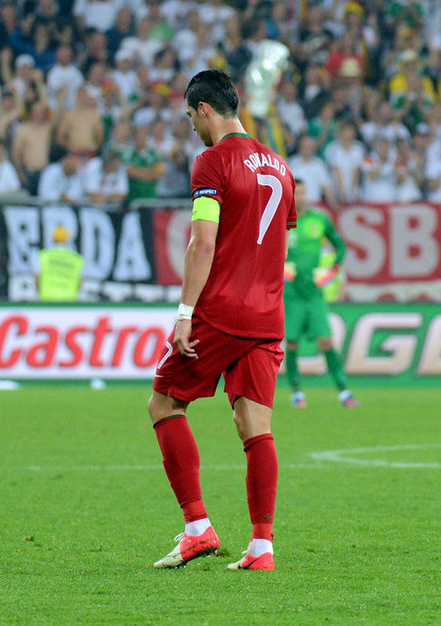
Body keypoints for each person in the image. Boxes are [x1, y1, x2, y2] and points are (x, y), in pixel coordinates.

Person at [149, 70, 296, 572]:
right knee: (255, 425)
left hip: (222, 309)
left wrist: (185, 312)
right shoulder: (280, 166)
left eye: (192, 115)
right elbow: (278, 238)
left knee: (164, 402)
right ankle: (261, 547)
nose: (191, 125)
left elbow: (202, 242)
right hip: (267, 313)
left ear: (205, 109)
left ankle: (197, 528)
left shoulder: (212, 162)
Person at [284, 180, 359, 410]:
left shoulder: (320, 219)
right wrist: (282, 268)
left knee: (326, 341)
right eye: (296, 193)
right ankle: (296, 393)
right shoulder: (281, 221)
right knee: (292, 343)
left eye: (303, 192)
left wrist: (331, 270)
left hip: (314, 294)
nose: (300, 197)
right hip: (292, 294)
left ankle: (343, 391)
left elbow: (341, 246)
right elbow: (265, 250)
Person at [37, 225, 83, 302]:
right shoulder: (77, 259)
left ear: (53, 239)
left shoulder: (43, 256)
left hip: (47, 301)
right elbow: (80, 283)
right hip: (69, 302)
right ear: (67, 240)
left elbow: (37, 279)